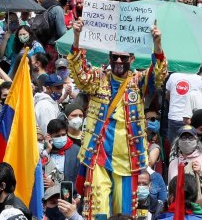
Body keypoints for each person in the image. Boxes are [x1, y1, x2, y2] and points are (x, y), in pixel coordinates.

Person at [68, 17, 167, 217]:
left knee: (123, 211)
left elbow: (159, 76)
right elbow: (79, 75)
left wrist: (157, 45)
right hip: (98, 152)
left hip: (127, 156)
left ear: (131, 59)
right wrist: (77, 37)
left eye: (123, 58)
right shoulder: (98, 78)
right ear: (109, 58)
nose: (119, 61)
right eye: (115, 57)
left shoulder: (138, 81)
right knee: (98, 208)